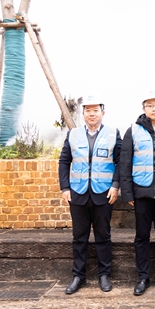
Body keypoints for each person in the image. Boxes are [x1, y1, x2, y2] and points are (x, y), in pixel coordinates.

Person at [58, 94, 121, 295]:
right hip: (78, 193)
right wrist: (65, 188)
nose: (91, 114)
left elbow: (120, 162)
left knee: (103, 236)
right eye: (88, 110)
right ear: (83, 113)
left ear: (103, 112)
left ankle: (104, 275)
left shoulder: (112, 134)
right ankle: (78, 276)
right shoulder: (73, 134)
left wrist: (115, 185)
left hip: (103, 193)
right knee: (79, 237)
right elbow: (64, 161)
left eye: (95, 110)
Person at [119, 90, 155, 296]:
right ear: (143, 108)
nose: (154, 109)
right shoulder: (133, 130)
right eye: (150, 105)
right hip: (141, 194)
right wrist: (128, 193)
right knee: (141, 237)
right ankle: (143, 277)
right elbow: (125, 163)